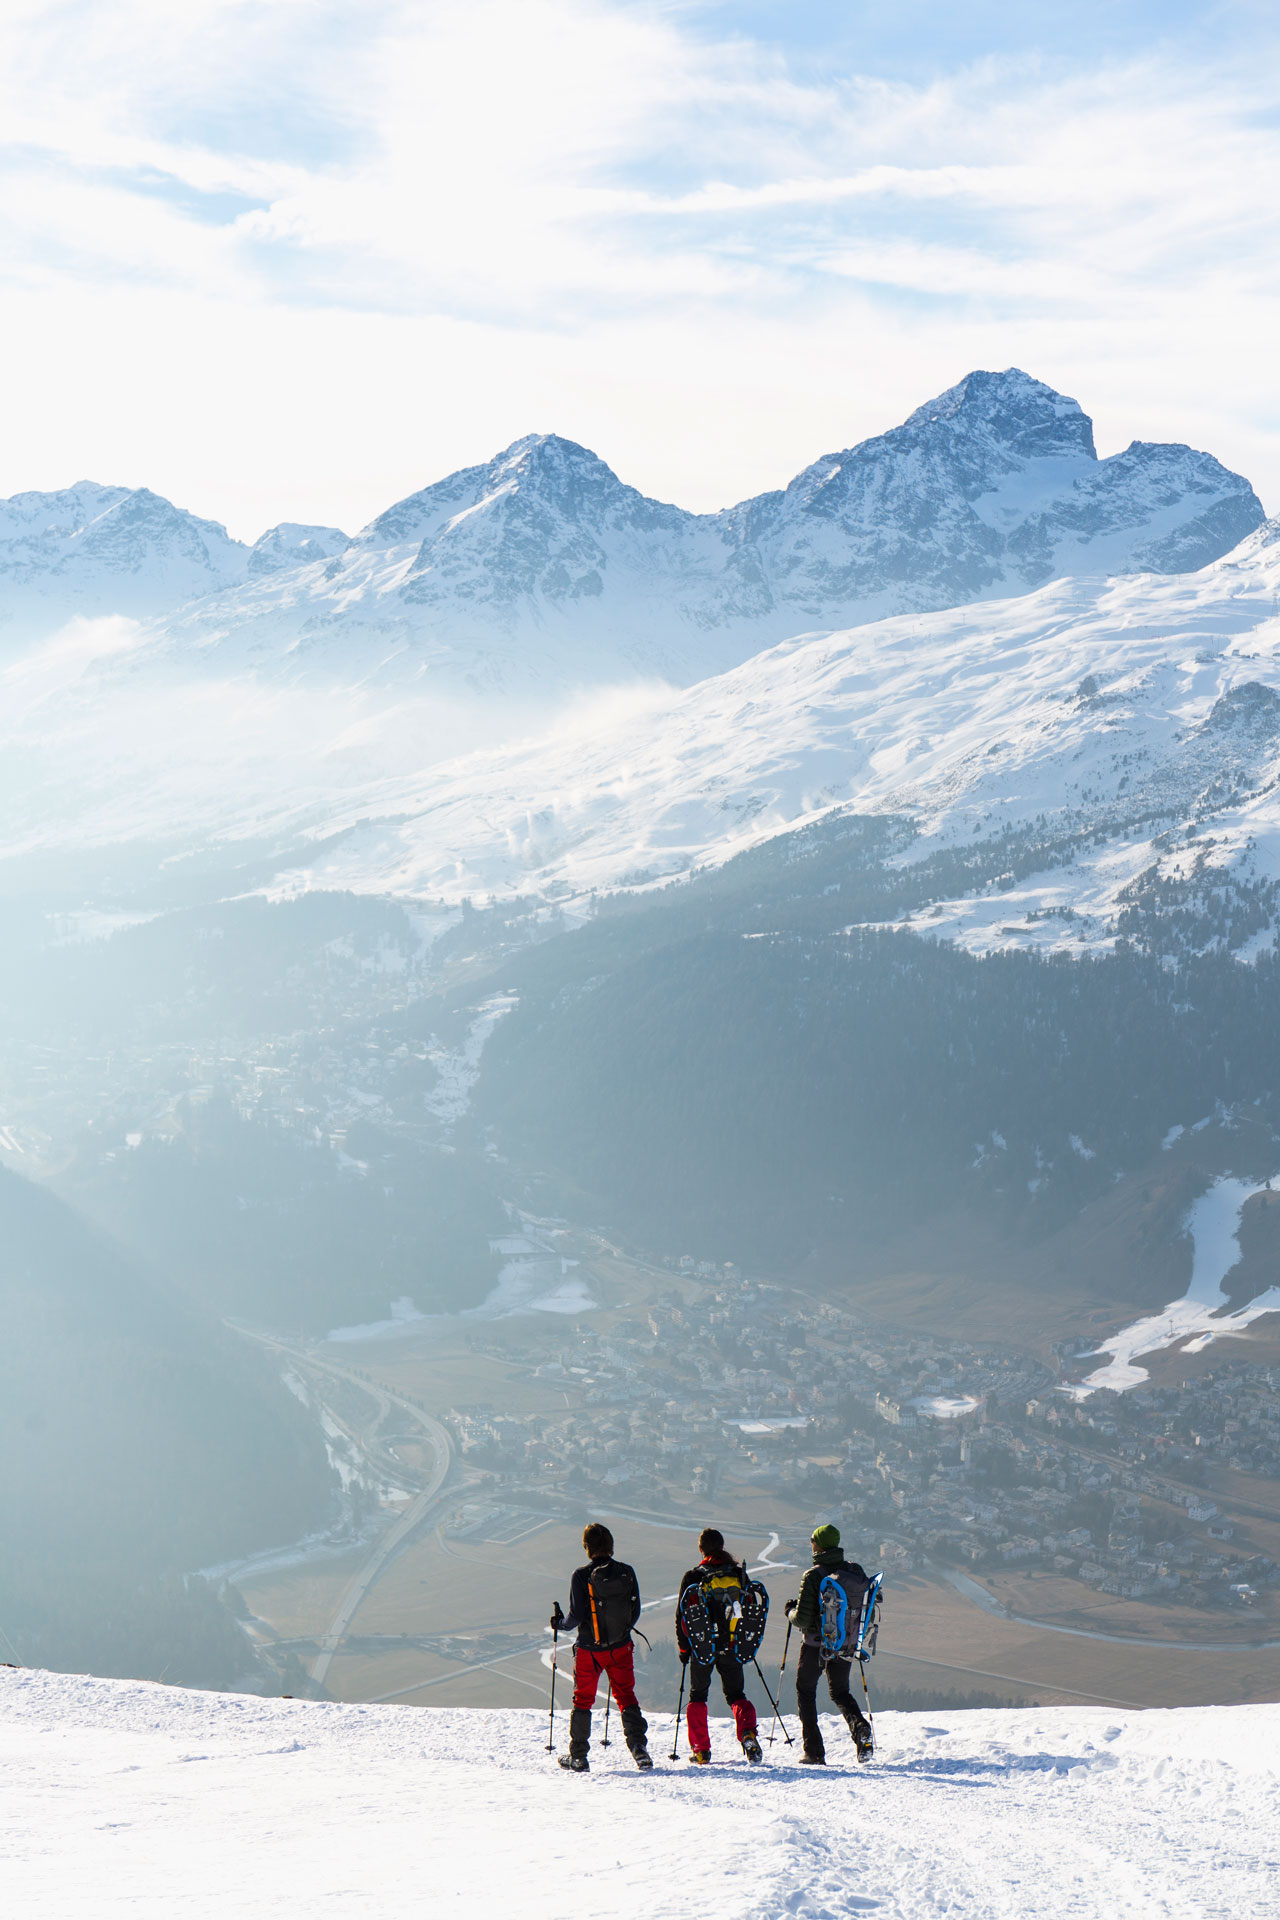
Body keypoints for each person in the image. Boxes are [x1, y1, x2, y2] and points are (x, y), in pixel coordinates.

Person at [550, 1521, 652, 1773]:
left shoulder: (581, 1575)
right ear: (611, 1545)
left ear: (587, 1547)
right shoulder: (627, 1571)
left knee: (583, 1700)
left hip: (589, 1650)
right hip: (620, 1647)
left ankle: (578, 1757)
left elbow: (575, 1617)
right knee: (626, 1696)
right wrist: (622, 1632)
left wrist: (559, 1624)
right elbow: (635, 1610)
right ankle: (639, 1750)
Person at [784, 1523, 874, 1766]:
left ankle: (813, 1752)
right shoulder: (854, 1571)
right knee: (840, 1692)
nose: (811, 1543)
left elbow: (802, 1618)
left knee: (806, 1690)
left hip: (815, 1644)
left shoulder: (813, 1575)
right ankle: (861, 1731)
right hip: (845, 1643)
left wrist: (790, 1611)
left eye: (813, 1540)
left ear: (819, 1545)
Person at [674, 1526, 763, 1765]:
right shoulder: (737, 1573)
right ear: (722, 1546)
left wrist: (684, 1649)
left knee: (697, 1696)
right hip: (732, 1643)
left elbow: (682, 1615)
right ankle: (748, 1734)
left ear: (701, 1549)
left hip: (702, 1646)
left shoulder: (693, 1576)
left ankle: (701, 1750)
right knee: (736, 1695)